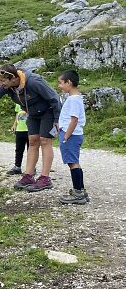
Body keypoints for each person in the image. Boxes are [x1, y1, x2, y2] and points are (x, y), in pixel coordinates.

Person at [57, 70, 88, 205]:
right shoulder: (75, 98)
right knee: (74, 161)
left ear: (69, 83)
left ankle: (78, 193)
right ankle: (80, 189)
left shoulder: (74, 100)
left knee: (72, 163)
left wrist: (66, 137)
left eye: (60, 83)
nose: (59, 86)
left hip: (71, 135)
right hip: (72, 134)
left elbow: (74, 120)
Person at [7, 103, 29, 175]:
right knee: (19, 149)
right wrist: (14, 125)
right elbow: (17, 114)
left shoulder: (32, 100)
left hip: (30, 129)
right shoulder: (18, 102)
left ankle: (31, 168)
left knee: (31, 150)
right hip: (20, 129)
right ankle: (17, 167)